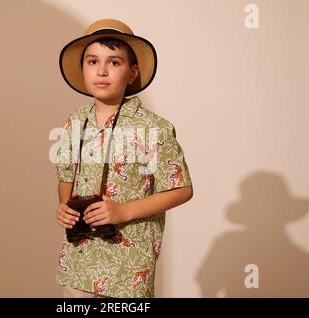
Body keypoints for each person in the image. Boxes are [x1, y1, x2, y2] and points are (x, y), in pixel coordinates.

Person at [54, 19, 193, 298]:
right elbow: (66, 176)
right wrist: (64, 206)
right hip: (81, 254)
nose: (101, 71)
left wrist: (123, 212)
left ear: (131, 73)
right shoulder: (75, 122)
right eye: (92, 61)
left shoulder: (153, 127)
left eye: (114, 62)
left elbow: (182, 189)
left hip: (128, 261)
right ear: (82, 70)